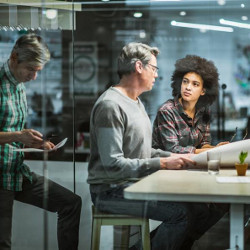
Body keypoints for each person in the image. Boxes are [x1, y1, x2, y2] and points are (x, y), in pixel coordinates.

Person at [88, 43, 225, 249]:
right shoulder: (110, 105)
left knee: (199, 210)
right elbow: (113, 164)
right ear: (138, 67)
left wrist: (175, 159)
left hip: (134, 184)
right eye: (154, 68)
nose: (156, 75)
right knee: (180, 215)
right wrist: (161, 163)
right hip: (110, 191)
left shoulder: (135, 101)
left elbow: (143, 151)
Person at [0, 34, 82, 250]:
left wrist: (32, 142)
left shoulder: (19, 85)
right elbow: (12, 134)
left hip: (16, 171)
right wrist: (17, 136)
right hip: (1, 176)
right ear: (14, 57)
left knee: (70, 203)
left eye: (38, 71)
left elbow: (11, 134)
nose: (34, 77)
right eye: (31, 69)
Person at [152, 55, 228, 154]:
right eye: (185, 82)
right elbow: (173, 150)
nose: (188, 87)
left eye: (195, 84)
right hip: (166, 167)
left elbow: (204, 144)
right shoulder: (167, 111)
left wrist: (217, 148)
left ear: (203, 91)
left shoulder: (204, 111)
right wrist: (213, 150)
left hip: (190, 165)